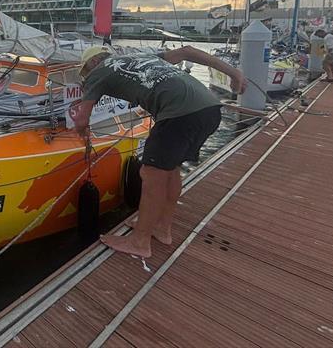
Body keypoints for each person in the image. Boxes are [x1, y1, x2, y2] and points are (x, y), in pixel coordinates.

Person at [68, 45, 246, 258]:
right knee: (170, 170)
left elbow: (81, 118)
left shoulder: (97, 73)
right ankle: (163, 228)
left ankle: (140, 241)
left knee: (151, 175)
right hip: (209, 109)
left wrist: (82, 131)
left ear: (93, 63)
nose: (87, 77)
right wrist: (234, 72)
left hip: (179, 114)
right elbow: (187, 51)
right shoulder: (139, 55)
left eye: (85, 71)